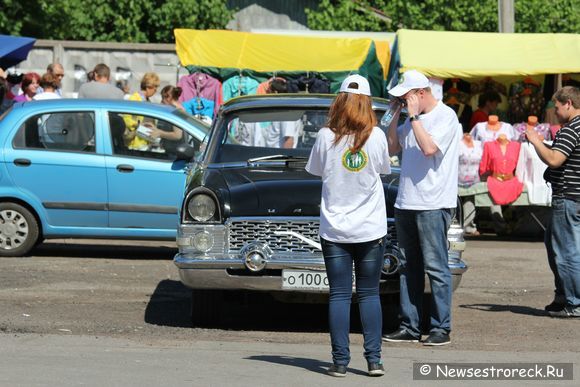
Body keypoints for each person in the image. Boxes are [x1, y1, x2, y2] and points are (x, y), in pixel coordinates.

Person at [306, 74, 390, 377]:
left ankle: (340, 361)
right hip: (370, 228)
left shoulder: (325, 136)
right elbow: (383, 169)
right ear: (367, 103)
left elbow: (316, 170)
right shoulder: (376, 136)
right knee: (369, 294)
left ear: (339, 101)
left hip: (335, 228)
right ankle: (374, 360)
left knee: (339, 294)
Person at [383, 69, 461, 346]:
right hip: (407, 202)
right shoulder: (410, 119)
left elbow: (429, 148)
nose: (404, 101)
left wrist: (414, 117)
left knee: (436, 267)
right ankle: (410, 326)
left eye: (406, 97)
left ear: (420, 93)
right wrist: (394, 116)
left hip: (433, 203)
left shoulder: (446, 117)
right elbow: (392, 148)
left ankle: (441, 327)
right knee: (408, 267)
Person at [525, 86, 580, 318]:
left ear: (568, 103)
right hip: (573, 196)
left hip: (567, 196)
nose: (555, 112)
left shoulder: (571, 129)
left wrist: (536, 141)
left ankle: (573, 302)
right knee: (557, 246)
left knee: (566, 252)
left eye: (557, 107)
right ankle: (563, 296)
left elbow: (555, 160)